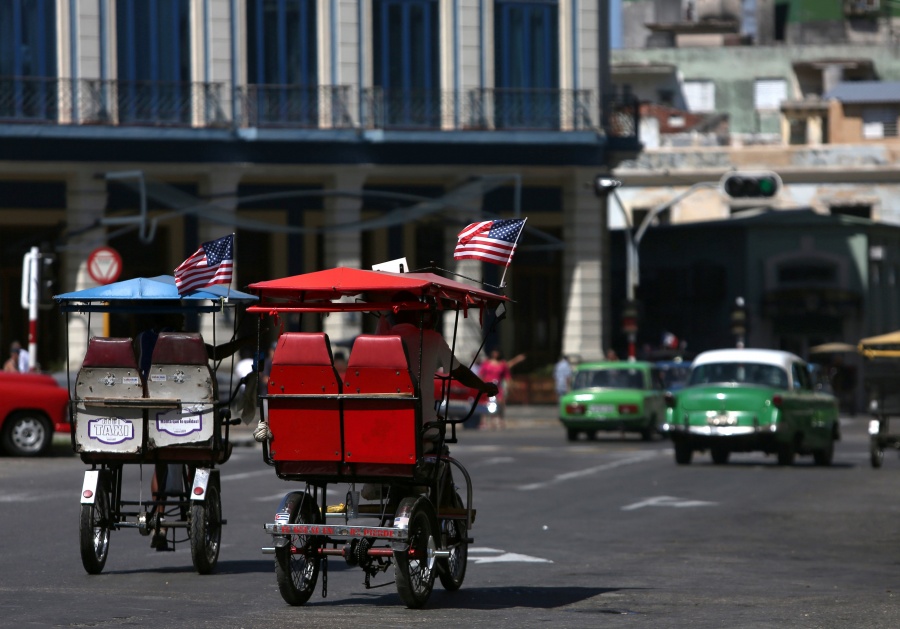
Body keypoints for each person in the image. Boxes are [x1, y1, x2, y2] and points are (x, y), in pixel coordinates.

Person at [360, 291, 498, 502]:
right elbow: (459, 372)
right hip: (421, 426)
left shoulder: (374, 342)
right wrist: (484, 387)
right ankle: (444, 501)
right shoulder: (432, 339)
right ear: (418, 314)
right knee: (440, 445)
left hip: (381, 426)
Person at [476, 348, 525, 430]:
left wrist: (510, 386)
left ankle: (500, 419)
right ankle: (485, 420)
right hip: (487, 386)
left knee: (501, 402)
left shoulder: (502, 364)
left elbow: (507, 376)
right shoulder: (486, 363)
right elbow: (481, 374)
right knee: (485, 403)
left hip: (498, 387)